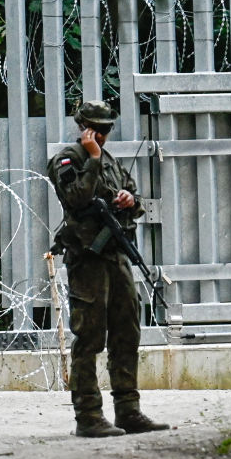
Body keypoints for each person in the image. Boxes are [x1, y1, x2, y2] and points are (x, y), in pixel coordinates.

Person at [46, 100, 169, 438]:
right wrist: (93, 159)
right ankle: (88, 416)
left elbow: (136, 201)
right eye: (96, 129)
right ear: (84, 126)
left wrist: (130, 199)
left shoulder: (111, 162)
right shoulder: (69, 159)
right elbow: (76, 198)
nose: (101, 135)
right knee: (90, 336)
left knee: (127, 332)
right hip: (88, 258)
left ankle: (128, 410)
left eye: (106, 129)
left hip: (116, 257)